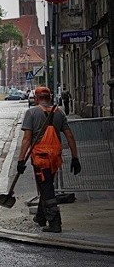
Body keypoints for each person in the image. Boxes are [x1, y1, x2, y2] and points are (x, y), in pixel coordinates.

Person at [17, 86, 81, 233]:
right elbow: (69, 135)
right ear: (50, 98)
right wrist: (75, 157)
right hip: (55, 157)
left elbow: (27, 139)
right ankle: (40, 217)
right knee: (46, 184)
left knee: (46, 187)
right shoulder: (60, 113)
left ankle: (54, 222)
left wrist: (21, 160)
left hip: (40, 158)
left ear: (37, 98)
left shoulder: (31, 113)